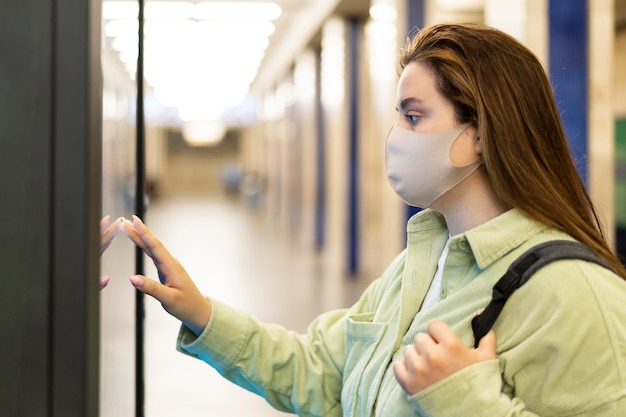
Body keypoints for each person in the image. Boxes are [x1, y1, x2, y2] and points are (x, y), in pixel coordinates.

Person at [121, 22, 626, 416]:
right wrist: (203, 314)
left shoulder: (575, 293)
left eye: (413, 116)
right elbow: (322, 374)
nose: (395, 137)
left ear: (479, 134)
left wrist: (463, 401)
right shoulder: (419, 266)